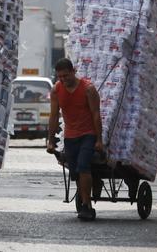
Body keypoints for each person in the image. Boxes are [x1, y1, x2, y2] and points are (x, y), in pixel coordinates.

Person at [46, 58, 103, 221]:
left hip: (88, 134)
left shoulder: (88, 89)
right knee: (75, 172)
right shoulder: (57, 90)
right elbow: (54, 116)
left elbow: (96, 115)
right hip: (70, 136)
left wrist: (99, 140)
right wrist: (50, 140)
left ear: (73, 71)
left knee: (83, 167)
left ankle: (87, 206)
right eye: (60, 77)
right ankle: (87, 193)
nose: (63, 80)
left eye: (66, 76)